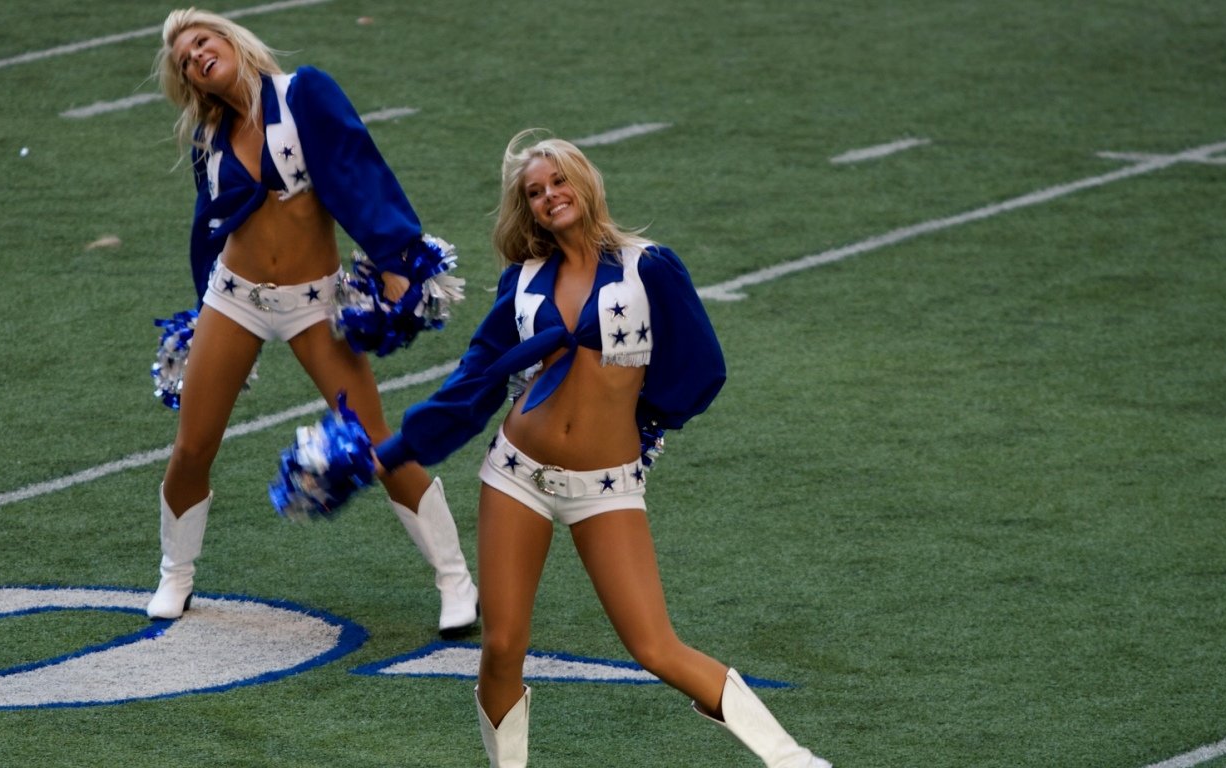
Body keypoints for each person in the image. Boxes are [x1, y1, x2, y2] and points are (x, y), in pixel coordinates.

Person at [371, 130, 830, 767]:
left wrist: (644, 423)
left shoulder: (650, 267)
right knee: (503, 645)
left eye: (558, 181)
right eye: (534, 192)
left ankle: (792, 759)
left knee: (654, 645)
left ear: (584, 184)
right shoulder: (524, 280)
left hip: (606, 485)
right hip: (516, 473)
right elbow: (477, 375)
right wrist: (398, 448)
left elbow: (702, 368)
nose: (548, 196)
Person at [146, 8, 478, 638]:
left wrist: (395, 259)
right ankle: (175, 573)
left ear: (231, 42)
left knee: (377, 441)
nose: (195, 57)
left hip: (313, 301)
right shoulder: (209, 136)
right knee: (193, 446)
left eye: (202, 42)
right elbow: (207, 226)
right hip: (235, 298)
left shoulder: (303, 94)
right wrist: (199, 310)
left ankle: (455, 580)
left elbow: (359, 171)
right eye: (185, 60)